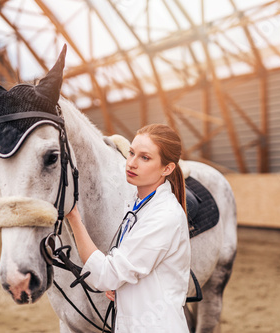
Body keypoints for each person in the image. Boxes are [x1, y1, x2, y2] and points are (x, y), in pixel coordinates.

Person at [66, 124, 191, 332]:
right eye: (131, 153)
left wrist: (74, 217)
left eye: (145, 158)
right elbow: (129, 268)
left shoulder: (164, 215)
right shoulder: (137, 203)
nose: (131, 163)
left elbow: (108, 275)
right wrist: (122, 291)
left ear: (167, 169)